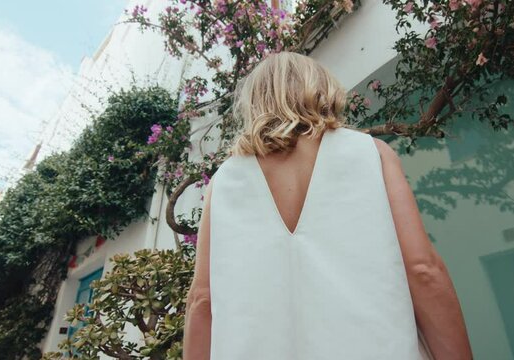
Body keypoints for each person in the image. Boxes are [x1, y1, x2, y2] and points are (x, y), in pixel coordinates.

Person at [182, 51, 472, 360]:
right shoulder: (371, 154)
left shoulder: (224, 182)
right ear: (321, 89)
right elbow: (422, 270)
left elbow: (202, 300)